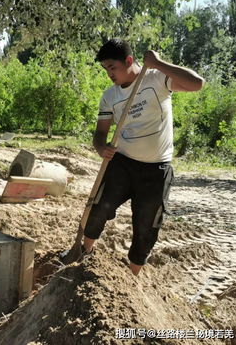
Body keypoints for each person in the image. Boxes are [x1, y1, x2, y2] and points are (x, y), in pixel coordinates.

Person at [82, 38, 204, 275]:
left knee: (146, 226)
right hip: (122, 164)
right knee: (98, 208)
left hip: (156, 170)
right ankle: (84, 255)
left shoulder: (157, 79)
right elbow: (100, 133)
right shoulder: (110, 96)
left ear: (129, 60)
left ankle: (132, 278)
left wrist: (159, 63)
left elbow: (197, 83)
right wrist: (101, 147)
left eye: (112, 67)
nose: (109, 74)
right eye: (105, 68)